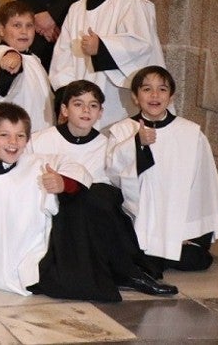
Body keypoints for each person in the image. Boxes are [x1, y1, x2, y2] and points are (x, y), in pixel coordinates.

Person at [27, 79, 177, 297]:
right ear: (64, 109)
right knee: (87, 200)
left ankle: (127, 272)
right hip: (52, 212)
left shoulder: (106, 145)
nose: (86, 110)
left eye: (93, 105)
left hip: (93, 214)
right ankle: (126, 272)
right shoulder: (40, 141)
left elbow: (121, 180)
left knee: (101, 196)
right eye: (78, 104)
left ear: (100, 112)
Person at [0, 103, 120, 301]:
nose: (13, 142)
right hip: (1, 259)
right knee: (82, 285)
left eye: (20, 136)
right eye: (4, 135)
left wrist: (63, 183)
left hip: (41, 248)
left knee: (92, 199)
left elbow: (73, 167)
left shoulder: (36, 163)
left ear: (28, 140)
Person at [107, 66, 218, 278]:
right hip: (138, 220)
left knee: (196, 260)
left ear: (171, 97)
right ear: (136, 97)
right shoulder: (122, 130)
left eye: (162, 89)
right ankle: (154, 251)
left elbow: (202, 187)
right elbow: (114, 174)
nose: (154, 95)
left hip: (179, 226)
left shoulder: (191, 133)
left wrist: (188, 233)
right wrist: (136, 143)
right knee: (132, 251)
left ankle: (167, 249)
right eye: (146, 89)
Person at [50, 0, 165, 128]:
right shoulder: (76, 9)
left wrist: (101, 47)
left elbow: (142, 45)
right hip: (83, 109)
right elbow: (63, 59)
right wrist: (68, 100)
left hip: (119, 104)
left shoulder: (129, 1)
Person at [0, 1, 55, 131]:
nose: (24, 31)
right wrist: (12, 61)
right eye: (17, 25)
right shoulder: (2, 53)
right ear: (1, 30)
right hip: (15, 134)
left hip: (40, 133)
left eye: (29, 26)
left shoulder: (34, 58)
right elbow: (5, 73)